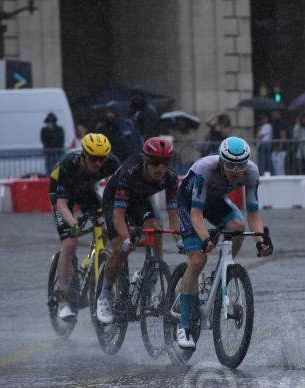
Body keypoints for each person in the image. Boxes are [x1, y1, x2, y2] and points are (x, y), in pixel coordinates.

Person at [174, 137, 272, 349]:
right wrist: (205, 238)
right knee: (198, 260)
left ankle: (221, 275)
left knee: (238, 225)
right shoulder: (205, 169)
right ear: (220, 161)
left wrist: (261, 239)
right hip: (191, 203)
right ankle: (183, 325)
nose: (236, 171)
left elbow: (253, 214)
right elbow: (196, 213)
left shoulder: (252, 172)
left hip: (215, 200)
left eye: (240, 166)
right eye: (230, 165)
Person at [95, 137, 181, 324]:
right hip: (115, 200)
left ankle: (151, 276)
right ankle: (104, 295)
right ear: (145, 161)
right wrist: (126, 239)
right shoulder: (129, 173)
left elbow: (173, 215)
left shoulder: (170, 178)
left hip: (140, 199)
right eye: (156, 163)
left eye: (165, 163)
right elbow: (118, 215)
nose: (161, 168)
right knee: (121, 247)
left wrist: (179, 239)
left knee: (156, 228)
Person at [48, 133, 121, 321]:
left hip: (86, 190)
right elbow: (61, 204)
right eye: (93, 159)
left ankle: (94, 258)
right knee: (70, 244)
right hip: (62, 195)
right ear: (83, 155)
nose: (98, 164)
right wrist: (73, 224)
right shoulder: (68, 164)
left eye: (101, 159)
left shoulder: (111, 163)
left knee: (104, 226)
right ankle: (64, 301)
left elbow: (119, 192)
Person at [271, 107, 290, 176]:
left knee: (280, 170)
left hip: (280, 151)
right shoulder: (274, 122)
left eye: (273, 112)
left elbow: (283, 136)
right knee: (276, 170)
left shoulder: (281, 122)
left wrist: (279, 148)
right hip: (276, 150)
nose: (272, 114)